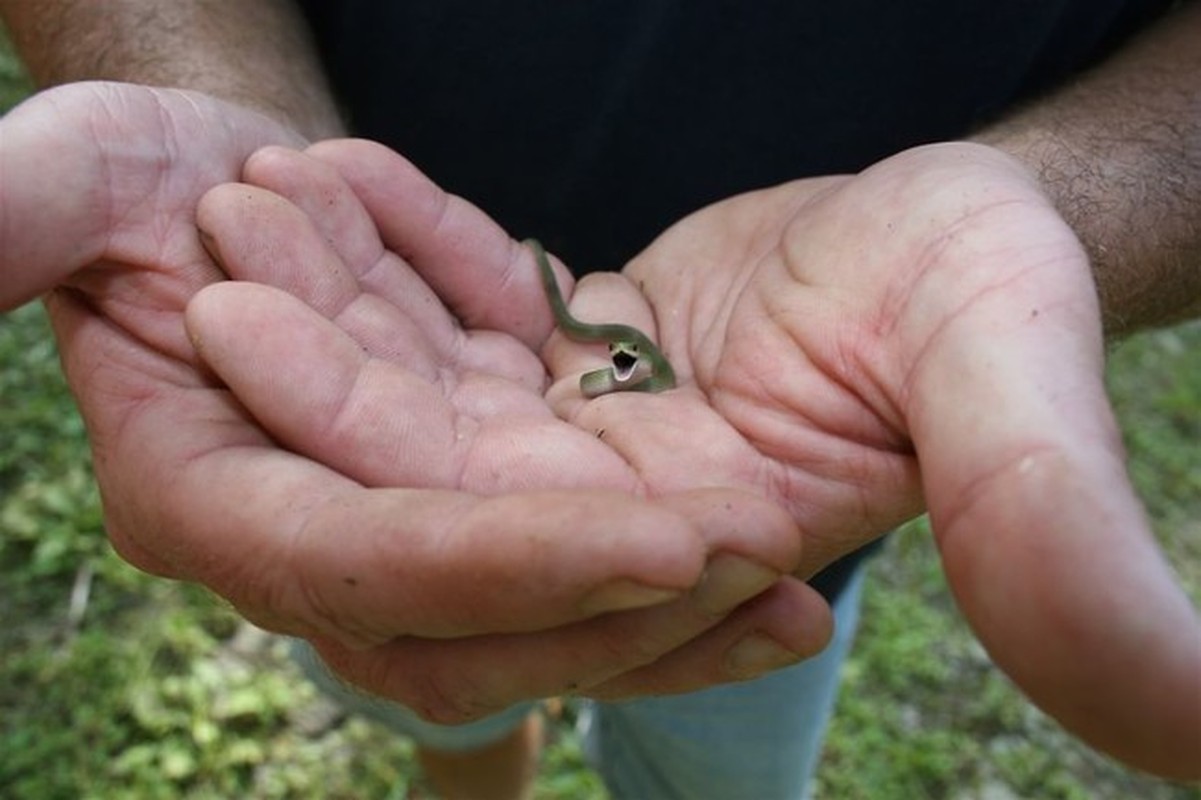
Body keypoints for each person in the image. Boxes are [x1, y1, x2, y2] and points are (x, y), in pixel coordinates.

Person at [0, 2, 1198, 798]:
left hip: (777, 497)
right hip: (353, 399)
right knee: (426, 672)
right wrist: (208, 96)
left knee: (713, 731)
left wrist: (1044, 202)